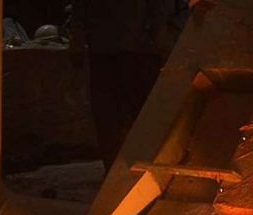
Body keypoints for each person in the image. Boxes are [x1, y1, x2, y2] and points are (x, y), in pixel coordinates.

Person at [69, 0, 189, 169]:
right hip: (114, 48)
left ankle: (138, 171)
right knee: (112, 118)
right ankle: (119, 173)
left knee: (138, 117)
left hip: (137, 49)